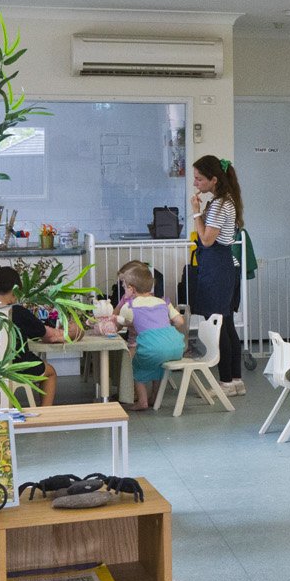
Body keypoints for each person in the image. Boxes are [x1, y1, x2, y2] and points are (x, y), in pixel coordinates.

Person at [189, 153, 246, 394]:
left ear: (214, 180)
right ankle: (235, 379)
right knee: (227, 322)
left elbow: (207, 240)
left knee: (218, 323)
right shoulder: (228, 201)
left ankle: (225, 382)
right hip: (223, 265)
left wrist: (196, 213)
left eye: (199, 179)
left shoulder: (220, 204)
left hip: (217, 265)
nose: (196, 184)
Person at [0, 266, 63, 405]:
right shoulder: (17, 312)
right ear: (16, 291)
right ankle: (45, 412)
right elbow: (49, 336)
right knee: (50, 373)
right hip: (16, 367)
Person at [117, 263, 186, 411]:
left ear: (131, 288)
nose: (123, 289)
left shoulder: (129, 306)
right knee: (159, 364)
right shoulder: (162, 302)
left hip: (151, 348)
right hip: (176, 347)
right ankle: (155, 396)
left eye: (124, 286)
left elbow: (118, 326)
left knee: (134, 365)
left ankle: (142, 401)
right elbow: (180, 322)